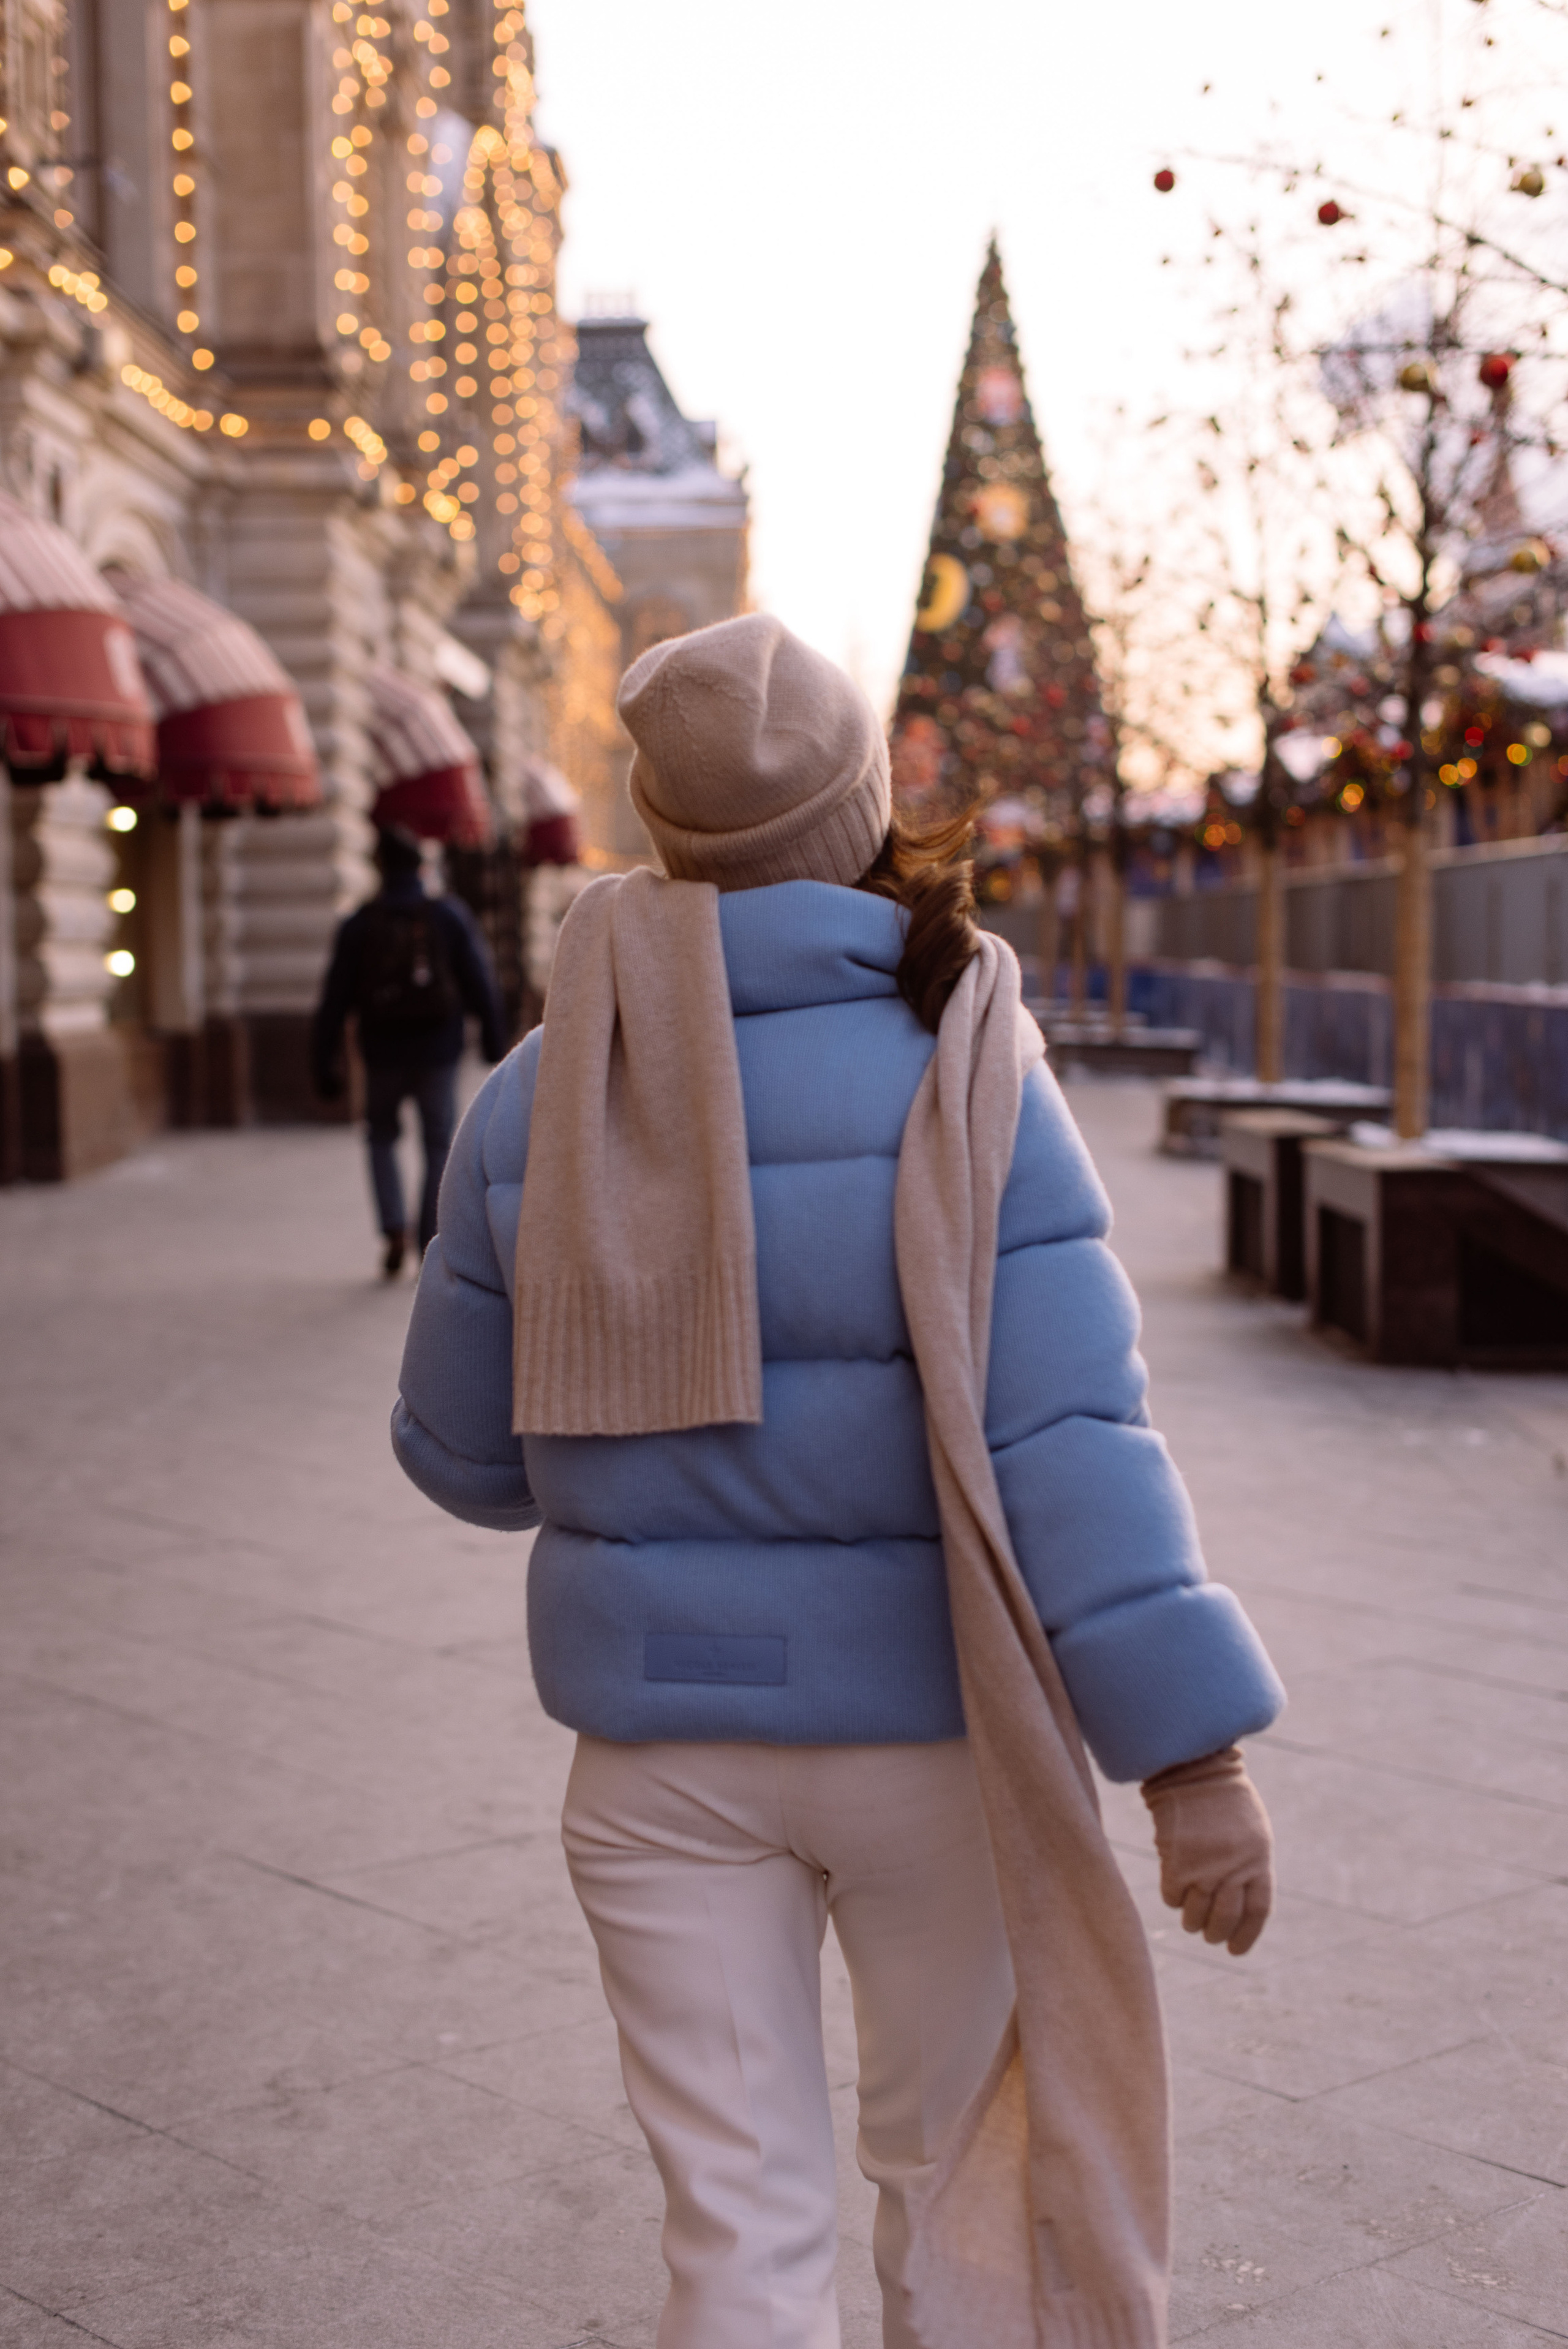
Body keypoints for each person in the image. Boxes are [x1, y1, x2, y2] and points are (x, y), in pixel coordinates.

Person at [391, 616, 1285, 2349]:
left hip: (656, 1758)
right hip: (930, 1738)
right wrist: (1197, 1759)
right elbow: (1068, 1444)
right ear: (865, 808)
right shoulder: (970, 1061)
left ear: (665, 826)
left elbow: (467, 1462)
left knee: (737, 2238)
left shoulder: (541, 1089)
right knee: (956, 2195)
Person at [312, 824, 507, 1276]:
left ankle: (393, 1227)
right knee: (438, 1142)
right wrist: (496, 1041)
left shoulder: (360, 923)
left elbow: (334, 998)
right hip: (438, 1050)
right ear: (421, 867)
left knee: (381, 1136)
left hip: (380, 1052)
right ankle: (428, 1239)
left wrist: (323, 1061)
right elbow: (480, 978)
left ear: (380, 868)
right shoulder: (447, 916)